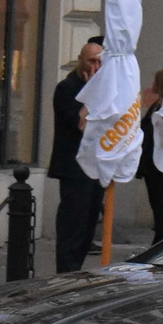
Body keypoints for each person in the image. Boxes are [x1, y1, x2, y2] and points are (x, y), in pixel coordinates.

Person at [49, 37, 104, 273]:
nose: (95, 66)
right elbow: (78, 122)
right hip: (73, 168)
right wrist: (92, 92)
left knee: (89, 224)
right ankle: (66, 272)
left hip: (95, 166)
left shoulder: (102, 89)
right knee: (73, 224)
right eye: (91, 60)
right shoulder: (67, 88)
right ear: (81, 60)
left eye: (99, 62)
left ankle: (76, 270)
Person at [136, 68, 163, 239]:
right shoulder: (158, 103)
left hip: (155, 160)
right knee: (156, 198)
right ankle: (161, 230)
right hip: (150, 158)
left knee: (157, 198)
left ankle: (162, 232)